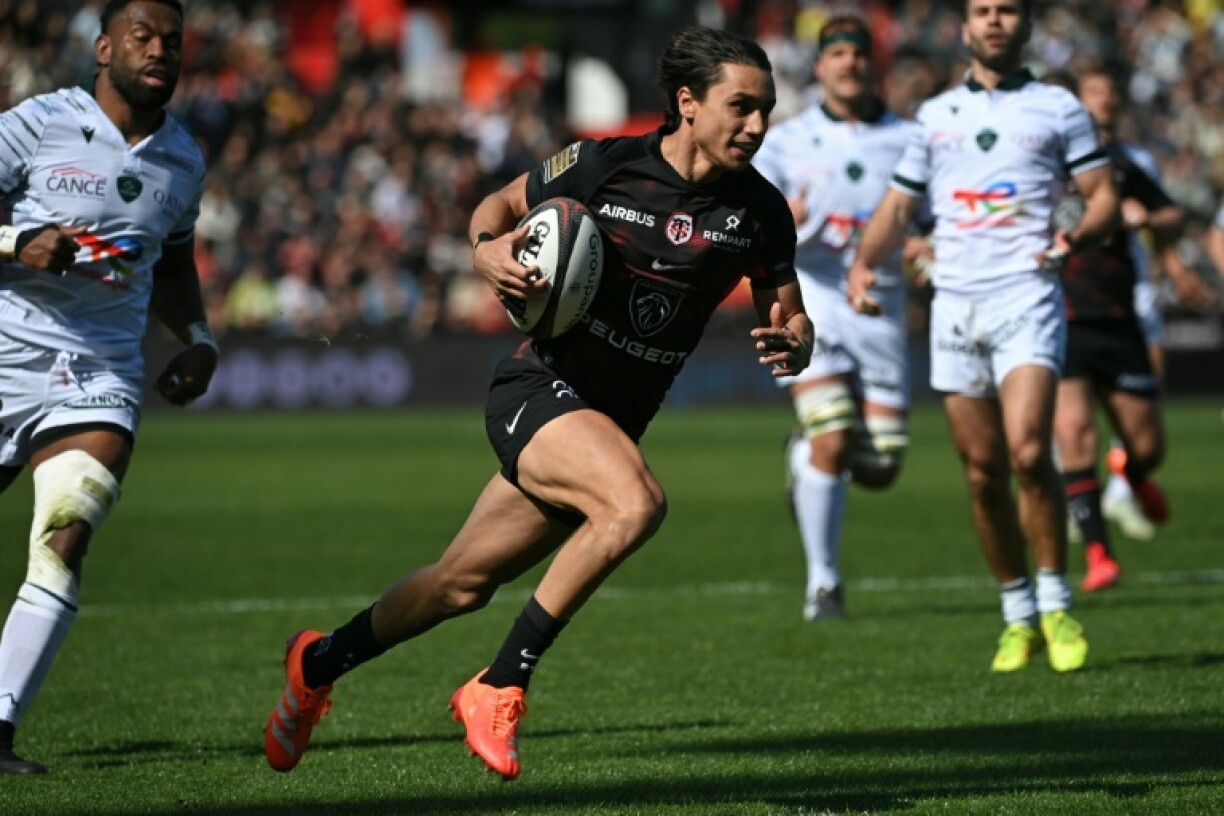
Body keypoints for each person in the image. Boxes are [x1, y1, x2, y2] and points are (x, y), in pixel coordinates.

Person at [262, 26, 812, 781]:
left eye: (766, 109)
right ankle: (500, 683)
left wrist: (797, 339)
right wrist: (486, 247)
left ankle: (316, 664)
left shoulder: (761, 212)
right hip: (537, 390)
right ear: (688, 102)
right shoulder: (606, 163)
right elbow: (497, 204)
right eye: (741, 106)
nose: (757, 124)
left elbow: (789, 312)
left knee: (459, 585)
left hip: (606, 425)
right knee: (634, 505)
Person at [847, 0, 1119, 673]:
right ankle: (1017, 613)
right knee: (981, 471)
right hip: (955, 305)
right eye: (982, 11)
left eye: (1006, 10)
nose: (994, 21)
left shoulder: (1059, 108)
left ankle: (1056, 605)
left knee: (1028, 450)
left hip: (1027, 293)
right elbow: (900, 204)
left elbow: (1103, 196)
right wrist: (863, 264)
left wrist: (1075, 235)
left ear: (1025, 26)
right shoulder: (935, 115)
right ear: (964, 28)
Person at [0, 0, 216, 774]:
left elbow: (174, 261)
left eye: (172, 42)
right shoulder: (36, 124)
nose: (160, 51)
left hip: (99, 372)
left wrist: (199, 339)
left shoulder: (184, 159)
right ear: (102, 48)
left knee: (66, 532)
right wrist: (16, 241)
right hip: (5, 354)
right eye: (142, 36)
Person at [752, 15, 925, 620]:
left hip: (880, 305)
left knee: (880, 466)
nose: (849, 62)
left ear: (873, 64)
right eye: (837, 53)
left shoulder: (910, 138)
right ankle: (823, 585)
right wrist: (783, 220)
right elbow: (751, 222)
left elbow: (929, 221)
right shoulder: (786, 141)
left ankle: (801, 457)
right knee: (834, 435)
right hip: (815, 298)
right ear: (820, 66)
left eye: (859, 53)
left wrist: (923, 249)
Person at [1043, 67, 1194, 591]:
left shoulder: (1120, 165)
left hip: (1118, 317)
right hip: (1061, 316)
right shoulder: (1040, 166)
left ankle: (1133, 472)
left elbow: (1173, 216)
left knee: (1147, 446)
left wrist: (1146, 219)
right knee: (1074, 435)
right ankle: (1100, 556)